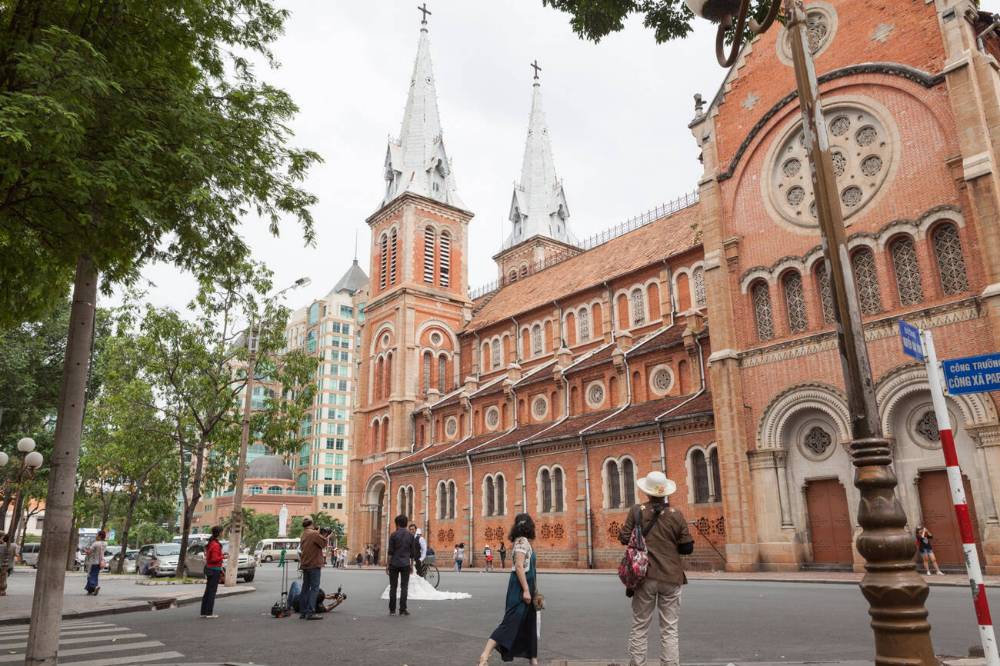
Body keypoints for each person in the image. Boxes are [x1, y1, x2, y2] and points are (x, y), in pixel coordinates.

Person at [618, 471, 694, 666]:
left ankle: (637, 663)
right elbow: (687, 547)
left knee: (640, 625)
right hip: (672, 576)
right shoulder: (676, 515)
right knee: (669, 628)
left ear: (647, 492)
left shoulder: (637, 511)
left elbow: (624, 538)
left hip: (645, 577)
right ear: (664, 492)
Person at [479, 514, 539, 665]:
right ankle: (484, 656)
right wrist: (526, 590)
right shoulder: (521, 542)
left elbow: (530, 568)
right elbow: (519, 566)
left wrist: (534, 591)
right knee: (510, 622)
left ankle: (534, 661)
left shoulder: (523, 542)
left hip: (527, 587)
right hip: (519, 588)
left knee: (530, 625)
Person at [298, 518, 327, 620]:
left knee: (305, 588)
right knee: (314, 588)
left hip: (305, 564)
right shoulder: (314, 534)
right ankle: (310, 612)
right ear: (311, 524)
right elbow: (323, 544)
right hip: (314, 565)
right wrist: (325, 536)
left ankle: (303, 612)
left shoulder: (303, 534)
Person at [386, 514, 415, 616]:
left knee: (393, 587)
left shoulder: (393, 535)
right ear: (406, 524)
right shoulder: (411, 536)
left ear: (397, 524)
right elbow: (412, 553)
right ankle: (402, 609)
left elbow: (390, 552)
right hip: (405, 564)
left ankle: (392, 610)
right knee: (404, 587)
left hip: (394, 563)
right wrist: (411, 565)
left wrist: (387, 565)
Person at [199, 526, 224, 618]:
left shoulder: (211, 543)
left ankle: (204, 612)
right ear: (219, 533)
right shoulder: (215, 545)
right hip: (214, 570)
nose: (223, 533)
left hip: (210, 569)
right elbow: (214, 559)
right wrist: (223, 557)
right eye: (222, 532)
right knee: (212, 592)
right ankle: (209, 613)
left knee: (208, 591)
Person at [83, 530, 107, 596]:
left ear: (100, 536)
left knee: (91, 576)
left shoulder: (95, 543)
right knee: (95, 575)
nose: (96, 536)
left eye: (97, 534)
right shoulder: (105, 544)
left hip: (93, 562)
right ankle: (90, 590)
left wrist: (85, 550)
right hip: (100, 562)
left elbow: (89, 552)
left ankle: (95, 586)